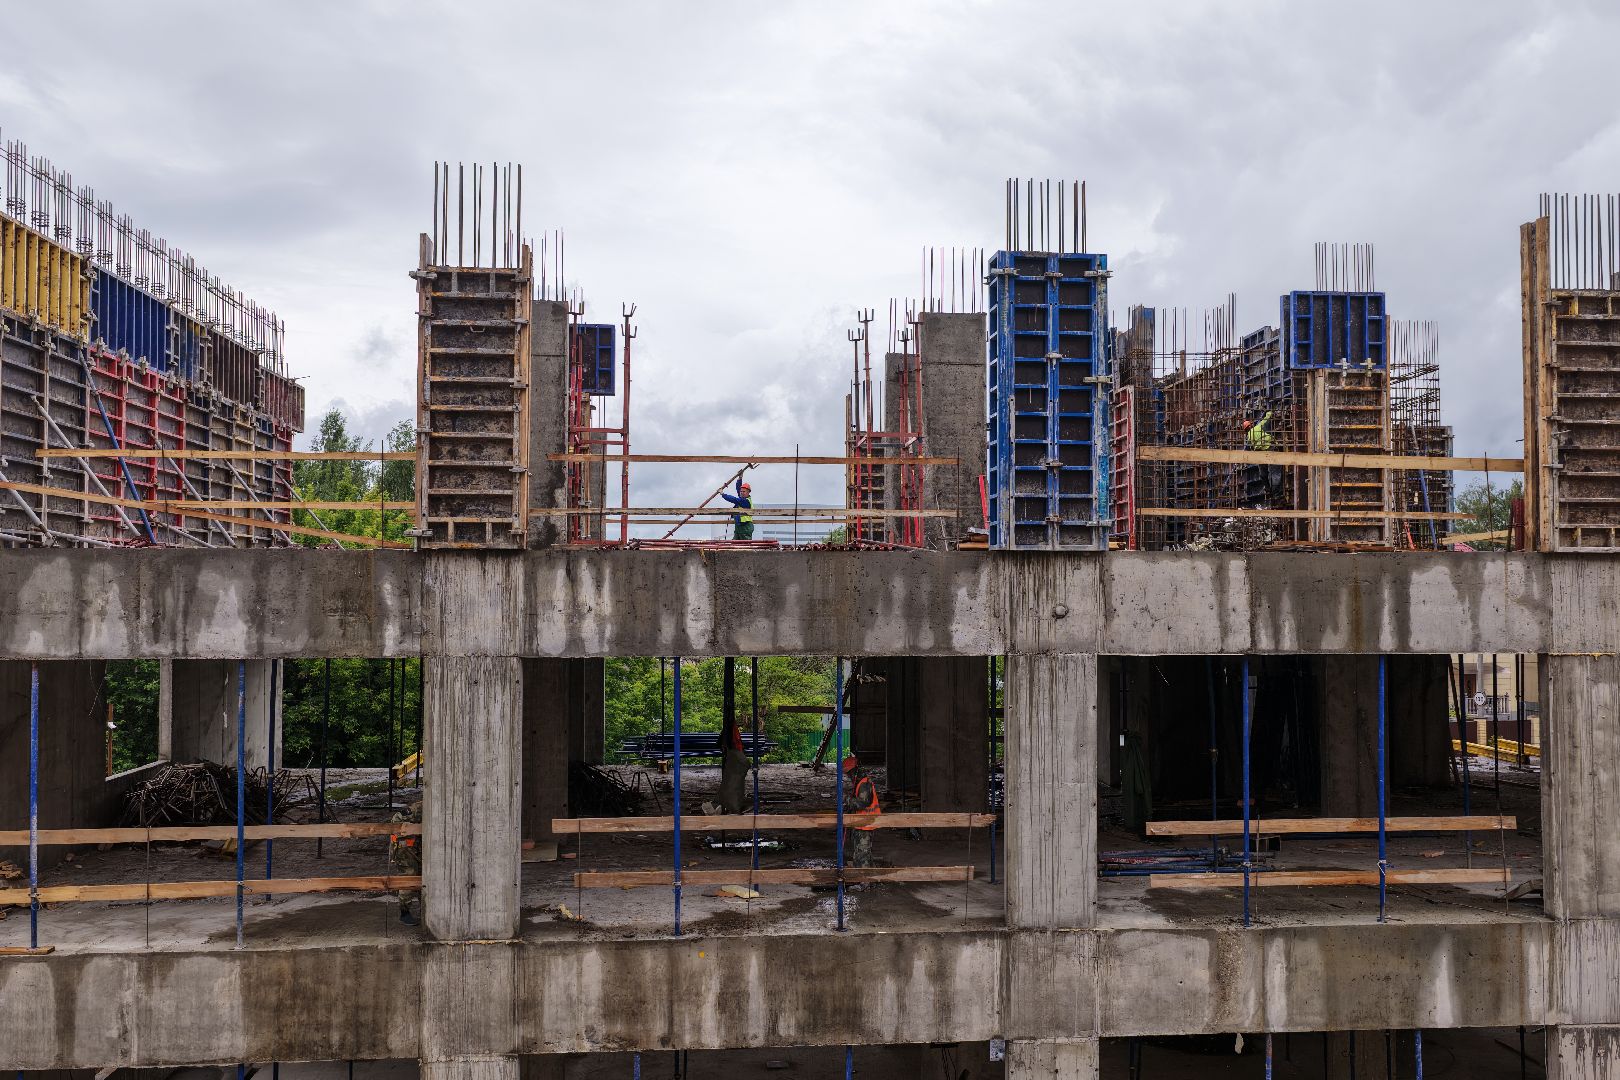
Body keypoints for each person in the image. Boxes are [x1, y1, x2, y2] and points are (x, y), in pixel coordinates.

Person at [390, 800, 423, 925]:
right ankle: (405, 912)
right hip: (404, 847)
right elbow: (396, 823)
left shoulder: (426, 807)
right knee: (409, 876)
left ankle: (424, 909)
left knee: (422, 876)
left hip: (415, 846)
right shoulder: (420, 809)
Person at [1243, 411, 1284, 502]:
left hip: (1260, 454)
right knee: (1275, 472)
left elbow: (1248, 451)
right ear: (1251, 425)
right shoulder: (1260, 426)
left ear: (1246, 430)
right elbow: (1268, 418)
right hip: (1270, 449)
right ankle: (1277, 494)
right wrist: (1268, 411)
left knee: (1263, 474)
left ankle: (1268, 489)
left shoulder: (1249, 437)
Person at [718, 476, 754, 541]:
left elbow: (734, 499)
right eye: (741, 491)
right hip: (739, 526)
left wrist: (723, 494)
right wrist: (740, 479)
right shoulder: (742, 498)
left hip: (745, 526)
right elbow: (738, 489)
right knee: (735, 543)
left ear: (748, 492)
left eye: (744, 491)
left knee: (746, 545)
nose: (742, 493)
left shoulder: (745, 501)